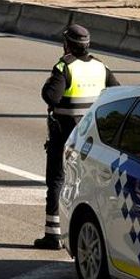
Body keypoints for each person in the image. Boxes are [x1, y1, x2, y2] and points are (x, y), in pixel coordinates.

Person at [34, 24, 119, 250]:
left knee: (57, 181)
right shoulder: (101, 67)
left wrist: (48, 83)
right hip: (92, 137)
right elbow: (116, 91)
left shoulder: (64, 66)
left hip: (65, 136)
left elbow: (51, 96)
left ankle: (53, 235)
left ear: (68, 45)